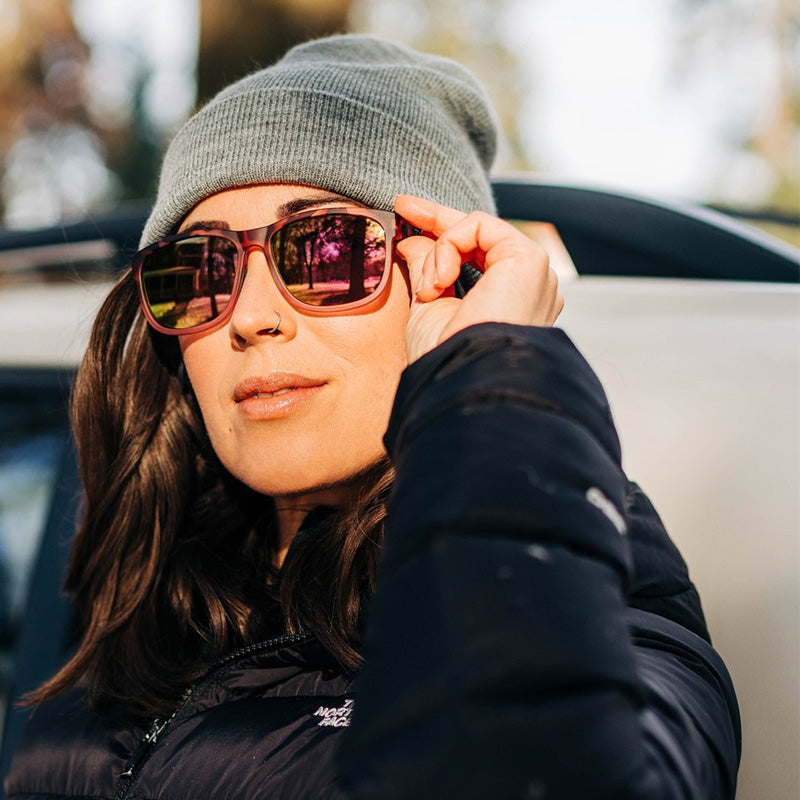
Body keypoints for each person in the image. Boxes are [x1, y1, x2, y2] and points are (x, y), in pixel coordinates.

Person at [5, 34, 740, 800]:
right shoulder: (142, 617)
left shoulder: (606, 615)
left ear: (450, 280)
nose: (252, 317)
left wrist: (490, 372)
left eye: (327, 252)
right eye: (201, 268)